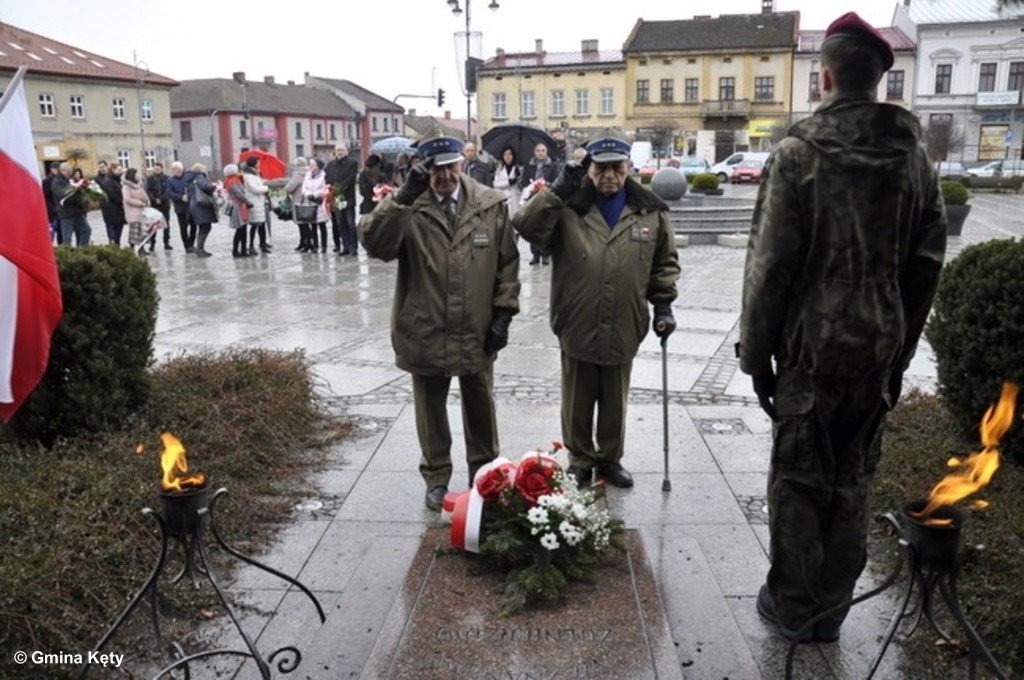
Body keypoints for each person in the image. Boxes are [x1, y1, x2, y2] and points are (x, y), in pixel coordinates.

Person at [738, 12, 947, 644]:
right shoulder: (915, 163)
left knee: (800, 481)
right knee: (853, 480)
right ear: (881, 82)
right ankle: (831, 608)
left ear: (824, 75)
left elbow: (769, 266)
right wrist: (899, 353)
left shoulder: (798, 156)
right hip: (876, 352)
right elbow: (925, 268)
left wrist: (756, 356)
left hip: (812, 353)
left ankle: (795, 607)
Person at [360, 136, 521, 510]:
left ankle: (485, 475)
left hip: (477, 324)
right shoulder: (408, 204)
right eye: (436, 169)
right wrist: (400, 200)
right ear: (423, 169)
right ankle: (436, 476)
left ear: (461, 165)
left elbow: (508, 263)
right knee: (430, 408)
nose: (444, 175)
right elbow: (375, 244)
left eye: (451, 166)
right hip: (425, 324)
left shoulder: (489, 203)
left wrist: (503, 313)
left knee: (480, 402)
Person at [512, 138, 680, 489]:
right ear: (589, 170)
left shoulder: (649, 209)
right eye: (601, 168)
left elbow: (664, 261)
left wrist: (663, 304)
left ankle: (609, 459)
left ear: (628, 169)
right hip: (577, 316)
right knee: (578, 395)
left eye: (617, 168)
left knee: (615, 396)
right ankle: (580, 458)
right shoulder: (569, 205)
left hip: (625, 317)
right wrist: (557, 191)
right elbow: (525, 226)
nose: (610, 176)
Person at [519, 142, 559, 265]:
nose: (540, 153)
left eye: (543, 150)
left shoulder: (552, 165)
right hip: (532, 198)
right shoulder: (529, 165)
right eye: (538, 150)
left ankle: (545, 254)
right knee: (532, 226)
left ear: (546, 152)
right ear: (534, 152)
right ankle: (535, 254)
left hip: (546, 198)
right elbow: (523, 181)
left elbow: (556, 182)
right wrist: (530, 186)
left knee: (546, 227)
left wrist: (545, 185)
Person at [325, 143, 360, 256]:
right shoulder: (331, 164)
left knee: (350, 223)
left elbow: (351, 178)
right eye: (337, 150)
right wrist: (331, 188)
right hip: (337, 198)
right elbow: (328, 178)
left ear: (346, 151)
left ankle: (353, 247)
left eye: (341, 150)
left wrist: (339, 189)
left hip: (347, 197)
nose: (339, 152)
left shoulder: (352, 163)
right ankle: (345, 247)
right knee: (341, 223)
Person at [52, 162, 91, 246]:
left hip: (77, 211)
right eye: (68, 172)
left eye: (71, 172)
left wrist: (84, 186)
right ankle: (67, 256)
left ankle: (83, 250)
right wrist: (77, 191)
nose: (70, 174)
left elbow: (77, 186)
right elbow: (65, 196)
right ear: (62, 171)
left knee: (86, 230)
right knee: (67, 237)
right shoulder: (57, 182)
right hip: (66, 213)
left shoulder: (70, 179)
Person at [222, 163, 254, 258]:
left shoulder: (231, 180)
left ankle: (242, 250)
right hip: (239, 206)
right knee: (240, 229)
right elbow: (239, 194)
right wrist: (248, 202)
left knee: (242, 229)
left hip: (239, 205)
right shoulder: (233, 181)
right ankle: (237, 250)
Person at [242, 157, 271, 255]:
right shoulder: (248, 176)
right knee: (254, 225)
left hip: (259, 202)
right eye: (258, 162)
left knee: (262, 225)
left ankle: (263, 245)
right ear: (253, 164)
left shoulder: (255, 174)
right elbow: (255, 189)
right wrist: (266, 188)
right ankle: (250, 246)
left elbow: (259, 185)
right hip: (254, 203)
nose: (259, 164)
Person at [187, 163, 217, 258]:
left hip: (195, 205)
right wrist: (213, 186)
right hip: (201, 205)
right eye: (204, 169)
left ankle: (200, 248)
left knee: (203, 227)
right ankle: (199, 249)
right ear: (200, 170)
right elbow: (204, 187)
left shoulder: (190, 178)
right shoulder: (199, 176)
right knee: (205, 227)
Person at [167, 161, 196, 252]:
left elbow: (193, 188)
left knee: (194, 226)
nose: (178, 171)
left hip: (191, 206)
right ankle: (187, 246)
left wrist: (189, 195)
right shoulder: (170, 180)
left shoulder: (188, 177)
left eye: (180, 169)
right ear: (172, 171)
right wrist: (180, 197)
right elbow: (169, 193)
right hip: (180, 207)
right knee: (183, 227)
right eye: (175, 169)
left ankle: (191, 243)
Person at [301, 158, 329, 252]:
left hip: (320, 202)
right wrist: (308, 194)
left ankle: (324, 246)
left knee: (322, 225)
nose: (311, 167)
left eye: (313, 165)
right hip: (310, 202)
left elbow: (325, 187)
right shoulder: (308, 175)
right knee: (313, 226)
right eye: (310, 165)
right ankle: (315, 246)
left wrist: (316, 194)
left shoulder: (323, 175)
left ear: (318, 166)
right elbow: (304, 188)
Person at [122, 168, 151, 253]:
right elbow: (127, 199)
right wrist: (140, 203)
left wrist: (147, 201)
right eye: (137, 174)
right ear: (132, 175)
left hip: (142, 211)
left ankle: (141, 248)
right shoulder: (126, 186)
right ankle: (131, 249)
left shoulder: (139, 185)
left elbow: (144, 194)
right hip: (132, 211)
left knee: (143, 231)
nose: (139, 176)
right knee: (134, 232)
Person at [284, 156, 309, 251]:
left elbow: (289, 188)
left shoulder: (298, 175)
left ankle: (304, 243)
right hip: (307, 201)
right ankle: (306, 242)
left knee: (301, 224)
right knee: (306, 224)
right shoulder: (308, 173)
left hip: (299, 201)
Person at [145, 162, 172, 251]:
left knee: (166, 224)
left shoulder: (167, 178)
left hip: (165, 204)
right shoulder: (150, 179)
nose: (156, 170)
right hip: (154, 204)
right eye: (155, 169)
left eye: (158, 169)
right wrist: (154, 199)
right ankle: (152, 243)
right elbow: (148, 190)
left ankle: (166, 242)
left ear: (162, 169)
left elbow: (168, 191)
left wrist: (161, 199)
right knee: (153, 224)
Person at [98, 162, 126, 246]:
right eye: (119, 170)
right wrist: (122, 202)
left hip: (116, 210)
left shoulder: (115, 179)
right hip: (112, 210)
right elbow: (112, 195)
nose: (121, 172)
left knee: (117, 229)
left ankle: (116, 245)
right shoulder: (108, 181)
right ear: (113, 170)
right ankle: (114, 246)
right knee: (114, 230)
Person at [492, 146, 522, 216]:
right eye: (505, 154)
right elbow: (495, 184)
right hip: (504, 200)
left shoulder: (518, 168)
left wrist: (519, 177)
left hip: (516, 201)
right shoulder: (499, 169)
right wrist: (508, 182)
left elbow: (522, 187)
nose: (507, 156)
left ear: (513, 156)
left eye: (510, 154)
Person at [41, 162, 61, 245]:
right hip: (52, 211)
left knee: (61, 234)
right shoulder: (47, 181)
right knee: (51, 233)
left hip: (60, 211)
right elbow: (45, 197)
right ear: (52, 169)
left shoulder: (60, 179)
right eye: (58, 169)